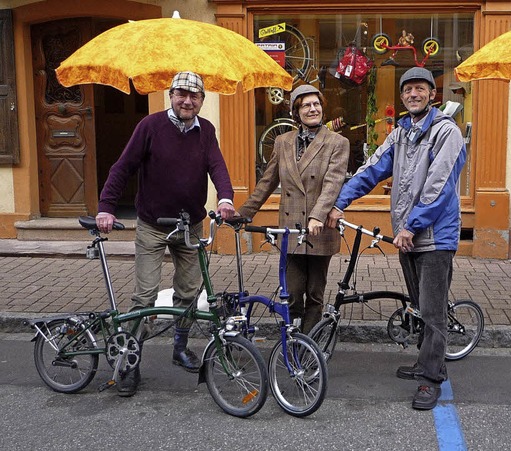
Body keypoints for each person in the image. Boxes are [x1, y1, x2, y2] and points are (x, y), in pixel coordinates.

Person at [327, 67, 466, 410]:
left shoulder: (447, 133)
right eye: (408, 90)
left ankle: (431, 380)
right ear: (402, 96)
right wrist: (338, 202)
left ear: (432, 94)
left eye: (420, 89)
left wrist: (411, 226)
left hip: (434, 237)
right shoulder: (401, 133)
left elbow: (438, 186)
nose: (413, 94)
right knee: (419, 306)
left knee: (432, 313)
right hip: (408, 235)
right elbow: (372, 169)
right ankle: (424, 361)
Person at [95, 71, 236, 397]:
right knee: (144, 297)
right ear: (171, 95)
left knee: (188, 293)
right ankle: (130, 361)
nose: (187, 101)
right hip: (152, 226)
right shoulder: (150, 126)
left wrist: (226, 197)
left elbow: (217, 167)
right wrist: (106, 206)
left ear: (201, 100)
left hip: (190, 226)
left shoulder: (206, 131)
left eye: (194, 96)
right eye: (181, 94)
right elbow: (123, 166)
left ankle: (180, 347)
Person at [238, 84, 349, 334]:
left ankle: (309, 344)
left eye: (317, 104)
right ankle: (294, 335)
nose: (313, 109)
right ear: (296, 112)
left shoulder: (337, 142)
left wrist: (317, 216)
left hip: (318, 229)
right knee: (293, 291)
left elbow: (332, 183)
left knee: (314, 292)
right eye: (306, 105)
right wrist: (244, 213)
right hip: (290, 229)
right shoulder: (282, 141)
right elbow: (268, 181)